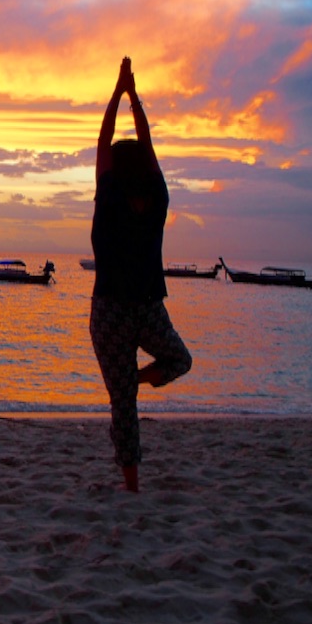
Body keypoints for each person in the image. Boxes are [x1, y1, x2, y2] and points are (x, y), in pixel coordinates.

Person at [89, 57, 192, 492]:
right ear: (147, 173)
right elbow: (146, 145)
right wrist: (134, 98)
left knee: (124, 401)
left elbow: (104, 140)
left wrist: (118, 92)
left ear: (113, 169)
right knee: (177, 362)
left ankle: (131, 483)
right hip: (147, 309)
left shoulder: (109, 198)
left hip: (113, 311)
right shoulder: (159, 200)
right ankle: (130, 476)